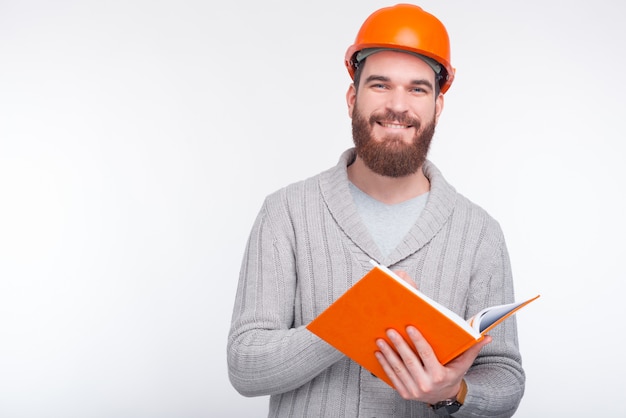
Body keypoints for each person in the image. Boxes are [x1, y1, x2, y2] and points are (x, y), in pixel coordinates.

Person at [228, 4, 525, 417]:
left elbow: (506, 381)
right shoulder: (286, 212)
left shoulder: (479, 232)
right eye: (380, 85)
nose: (397, 106)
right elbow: (246, 366)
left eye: (418, 89)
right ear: (353, 97)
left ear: (437, 106)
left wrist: (451, 391)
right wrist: (356, 319)